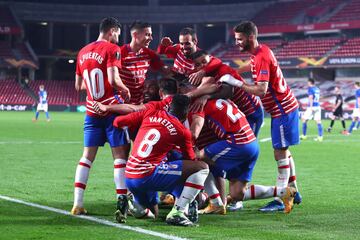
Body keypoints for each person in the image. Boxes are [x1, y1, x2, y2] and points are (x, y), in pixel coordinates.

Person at [220, 21, 301, 212]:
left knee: (279, 152)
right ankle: (293, 191)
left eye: (240, 39)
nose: (237, 42)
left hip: (282, 109)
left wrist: (236, 83)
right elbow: (252, 64)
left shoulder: (262, 55)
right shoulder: (260, 52)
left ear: (250, 37)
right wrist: (235, 71)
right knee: (284, 150)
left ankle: (282, 199)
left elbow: (261, 90)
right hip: (282, 108)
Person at [113, 94, 209, 226]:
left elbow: (118, 122)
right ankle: (178, 212)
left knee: (153, 213)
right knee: (202, 168)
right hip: (148, 175)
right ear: (186, 113)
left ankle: (133, 204)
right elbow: (191, 160)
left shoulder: (150, 112)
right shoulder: (182, 131)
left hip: (130, 177)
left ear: (169, 107)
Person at [189, 96, 296, 214]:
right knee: (238, 193)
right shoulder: (220, 97)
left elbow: (195, 132)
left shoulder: (198, 106)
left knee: (199, 160)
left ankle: (215, 203)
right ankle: (285, 192)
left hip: (237, 143)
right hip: (251, 143)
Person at [72, 17, 131, 223]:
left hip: (91, 111)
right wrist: (124, 89)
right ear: (112, 31)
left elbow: (79, 86)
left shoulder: (82, 52)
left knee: (87, 157)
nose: (118, 38)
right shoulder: (112, 49)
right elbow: (114, 79)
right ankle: (122, 202)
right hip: (110, 111)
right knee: (120, 157)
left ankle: (77, 204)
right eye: (118, 33)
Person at [119, 21, 170, 105]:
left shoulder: (149, 54)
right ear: (135, 35)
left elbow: (167, 71)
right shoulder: (120, 53)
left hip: (140, 105)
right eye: (147, 35)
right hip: (122, 105)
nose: (151, 38)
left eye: (151, 35)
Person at [157, 27, 222, 85]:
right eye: (181, 43)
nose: (184, 47)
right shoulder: (178, 48)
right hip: (175, 82)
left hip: (190, 85)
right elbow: (161, 52)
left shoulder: (201, 55)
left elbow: (217, 61)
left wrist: (203, 71)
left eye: (187, 43)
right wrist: (163, 45)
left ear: (195, 41)